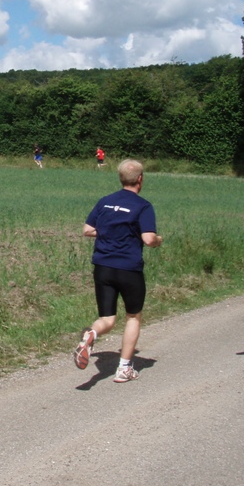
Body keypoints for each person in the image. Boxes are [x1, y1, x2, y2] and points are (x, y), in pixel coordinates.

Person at [73, 159, 163, 383]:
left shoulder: (105, 202)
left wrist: (109, 232)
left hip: (102, 267)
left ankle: (90, 335)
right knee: (133, 316)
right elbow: (149, 239)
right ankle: (124, 369)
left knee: (107, 317)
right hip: (128, 269)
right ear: (140, 179)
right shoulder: (143, 206)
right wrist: (158, 240)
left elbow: (87, 230)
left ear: (120, 178)